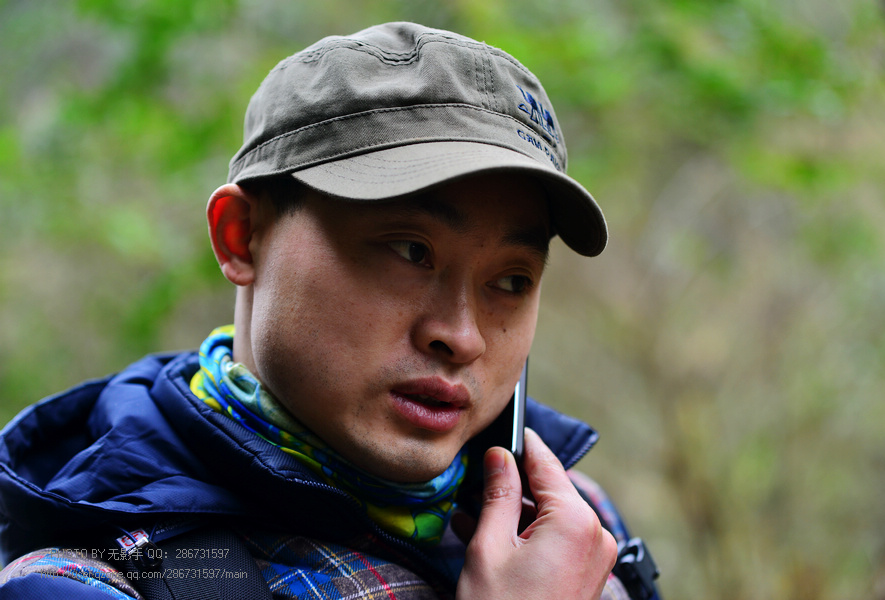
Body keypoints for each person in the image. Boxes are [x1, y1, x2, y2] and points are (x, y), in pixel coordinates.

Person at [0, 22, 659, 600]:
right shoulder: (93, 579)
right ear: (242, 236)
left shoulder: (574, 528)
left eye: (511, 281)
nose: (461, 336)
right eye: (410, 251)